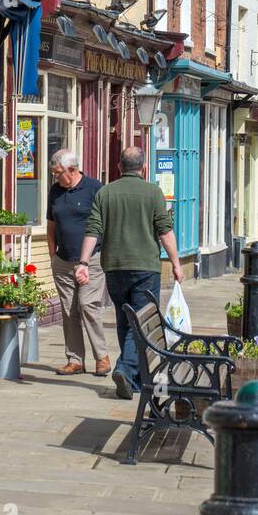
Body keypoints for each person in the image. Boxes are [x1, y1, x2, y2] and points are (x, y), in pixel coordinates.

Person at [76, 143, 183, 400]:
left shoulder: (105, 193)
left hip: (114, 268)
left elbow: (93, 229)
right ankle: (125, 369)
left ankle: (133, 381)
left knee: (125, 320)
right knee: (142, 324)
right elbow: (165, 230)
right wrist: (176, 263)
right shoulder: (153, 192)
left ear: (119, 166)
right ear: (144, 168)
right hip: (145, 268)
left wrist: (83, 262)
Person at [46, 149, 109, 377]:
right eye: (53, 173)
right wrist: (52, 255)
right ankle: (75, 360)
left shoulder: (95, 188)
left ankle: (101, 357)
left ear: (72, 170)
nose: (55, 177)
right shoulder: (55, 191)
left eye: (57, 173)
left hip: (91, 260)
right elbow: (51, 224)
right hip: (63, 261)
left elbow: (104, 224)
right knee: (68, 310)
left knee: (87, 305)